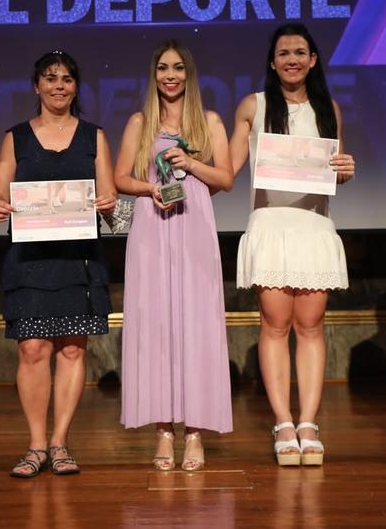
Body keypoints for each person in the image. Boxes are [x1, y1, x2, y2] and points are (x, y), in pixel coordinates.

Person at [228, 22, 356, 466]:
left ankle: (308, 422)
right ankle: (282, 421)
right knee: (275, 326)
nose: (292, 60)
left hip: (313, 225)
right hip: (271, 224)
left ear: (314, 59)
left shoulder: (329, 108)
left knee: (311, 327)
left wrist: (344, 167)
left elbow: (334, 167)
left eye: (300, 52)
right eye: (284, 53)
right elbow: (227, 169)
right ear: (272, 61)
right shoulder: (254, 105)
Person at [0, 50, 117, 478]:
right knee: (31, 349)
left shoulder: (94, 136)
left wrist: (108, 203)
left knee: (72, 349)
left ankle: (60, 443)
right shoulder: (16, 137)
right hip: (31, 257)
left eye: (66, 79)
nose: (58, 86)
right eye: (50, 78)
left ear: (75, 86)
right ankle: (36, 445)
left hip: (76, 257)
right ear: (37, 86)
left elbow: (111, 198)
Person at [114, 40, 234, 471]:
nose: (170, 75)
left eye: (178, 68)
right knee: (158, 326)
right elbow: (119, 178)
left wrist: (191, 161)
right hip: (152, 228)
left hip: (195, 230)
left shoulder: (210, 121)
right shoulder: (140, 122)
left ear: (189, 74)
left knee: (197, 326)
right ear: (154, 74)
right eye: (163, 68)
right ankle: (163, 431)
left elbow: (226, 178)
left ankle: (196, 433)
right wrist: (151, 189)